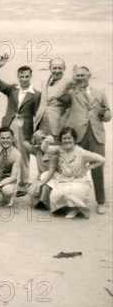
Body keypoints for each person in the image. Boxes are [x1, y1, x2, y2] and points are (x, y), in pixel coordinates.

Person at [57, 66, 111, 214]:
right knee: (73, 168)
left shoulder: (100, 93)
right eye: (77, 76)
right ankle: (72, 203)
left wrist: (104, 114)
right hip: (77, 135)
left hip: (96, 135)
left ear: (89, 75)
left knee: (98, 168)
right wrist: (68, 85)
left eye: (82, 75)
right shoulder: (72, 93)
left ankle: (101, 202)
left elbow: (108, 114)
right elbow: (60, 99)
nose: (80, 78)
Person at [0, 55, 41, 197]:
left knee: (23, 157)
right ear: (18, 76)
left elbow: (38, 115)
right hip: (9, 125)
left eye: (26, 76)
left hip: (25, 129)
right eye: (21, 76)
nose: (24, 79)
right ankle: (4, 182)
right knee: (5, 153)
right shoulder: (12, 89)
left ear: (31, 76)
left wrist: (38, 132)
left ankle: (23, 186)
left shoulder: (36, 94)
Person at [41, 127, 106, 219]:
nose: (67, 141)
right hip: (64, 181)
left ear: (74, 139)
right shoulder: (60, 150)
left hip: (80, 182)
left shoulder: (82, 152)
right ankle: (69, 206)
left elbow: (102, 159)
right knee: (55, 195)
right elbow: (45, 149)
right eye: (64, 138)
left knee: (72, 191)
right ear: (61, 140)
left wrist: (88, 168)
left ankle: (75, 208)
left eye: (69, 138)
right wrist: (46, 141)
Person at [34, 58, 72, 137]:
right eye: (54, 68)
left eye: (60, 68)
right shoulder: (45, 81)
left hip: (57, 121)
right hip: (41, 119)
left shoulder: (69, 82)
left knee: (54, 145)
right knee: (40, 144)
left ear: (64, 68)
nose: (57, 71)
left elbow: (70, 101)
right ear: (50, 68)